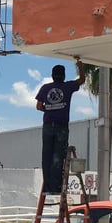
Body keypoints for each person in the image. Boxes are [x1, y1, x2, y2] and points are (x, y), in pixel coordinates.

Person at [35, 59, 85, 194]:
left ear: (52, 75)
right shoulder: (67, 87)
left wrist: (50, 109)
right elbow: (81, 80)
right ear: (63, 76)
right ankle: (56, 187)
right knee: (58, 156)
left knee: (47, 155)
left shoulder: (45, 88)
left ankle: (47, 186)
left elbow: (39, 106)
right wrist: (80, 66)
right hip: (61, 126)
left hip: (47, 126)